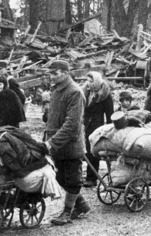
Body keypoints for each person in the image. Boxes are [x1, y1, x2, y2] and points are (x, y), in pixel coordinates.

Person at [43, 60, 90, 225]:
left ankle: (67, 212)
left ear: (66, 73)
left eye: (55, 73)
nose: (52, 76)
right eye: (51, 73)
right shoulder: (56, 90)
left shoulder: (75, 92)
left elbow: (72, 124)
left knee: (72, 179)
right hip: (56, 142)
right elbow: (53, 118)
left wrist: (51, 143)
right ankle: (81, 204)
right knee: (59, 177)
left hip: (70, 144)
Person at [82, 71, 114, 187]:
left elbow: (110, 114)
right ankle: (84, 175)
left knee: (93, 151)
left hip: (96, 125)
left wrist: (110, 130)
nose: (89, 84)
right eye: (88, 81)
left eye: (91, 81)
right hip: (85, 124)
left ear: (96, 81)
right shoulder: (85, 92)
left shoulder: (105, 95)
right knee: (83, 150)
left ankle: (92, 178)